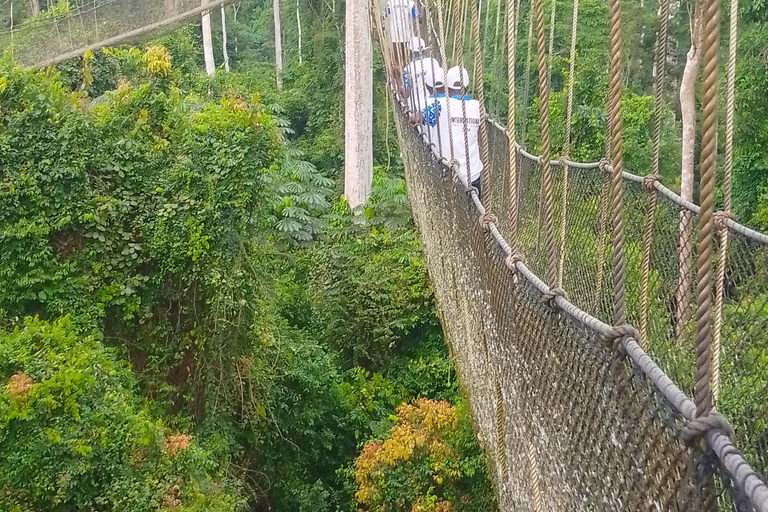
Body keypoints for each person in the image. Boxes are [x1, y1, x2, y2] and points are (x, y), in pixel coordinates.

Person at [420, 66, 483, 197]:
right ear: (466, 85)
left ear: (446, 85)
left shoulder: (439, 104)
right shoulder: (478, 106)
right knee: (473, 212)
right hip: (473, 174)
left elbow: (420, 117)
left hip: (447, 171)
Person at [401, 37, 441, 115]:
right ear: (424, 50)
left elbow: (407, 93)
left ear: (410, 51)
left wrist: (399, 83)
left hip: (415, 108)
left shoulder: (407, 69)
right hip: (433, 106)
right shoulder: (434, 62)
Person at [382, 0, 417, 72]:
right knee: (408, 60)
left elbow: (384, 15)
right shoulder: (411, 3)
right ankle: (406, 74)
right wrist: (423, 9)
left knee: (396, 59)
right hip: (409, 37)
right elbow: (418, 18)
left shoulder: (391, 3)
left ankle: (398, 77)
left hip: (395, 36)